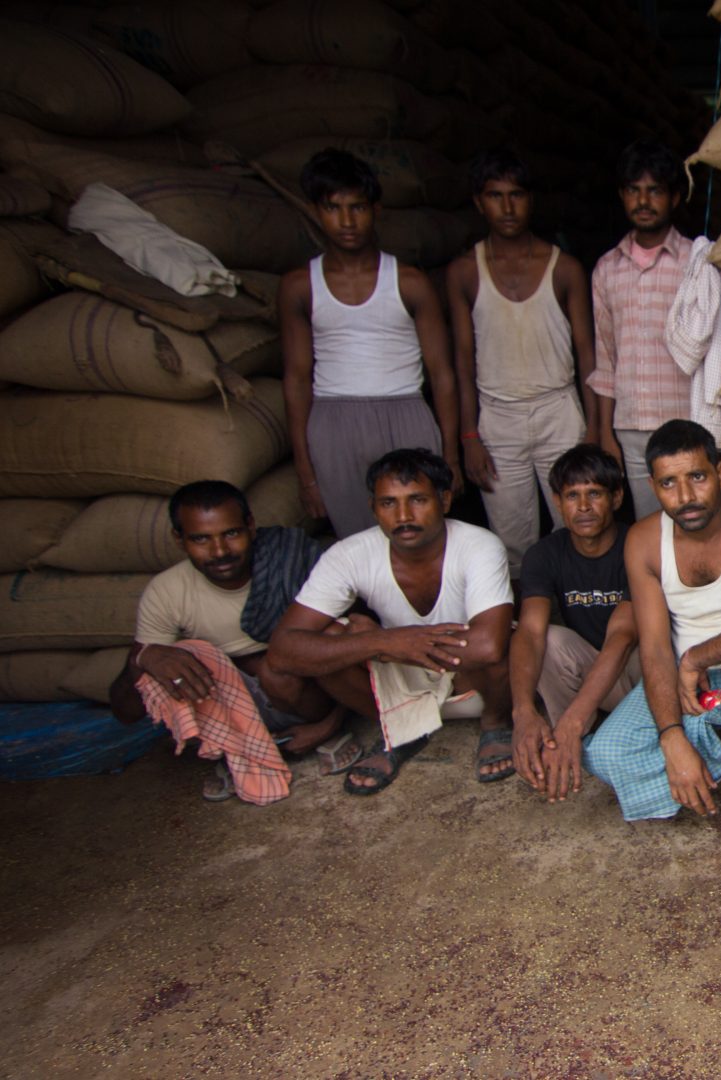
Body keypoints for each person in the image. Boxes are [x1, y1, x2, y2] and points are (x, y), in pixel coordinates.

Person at [582, 420, 721, 858]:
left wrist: (697, 658)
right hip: (689, 686)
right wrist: (671, 736)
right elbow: (654, 647)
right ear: (652, 485)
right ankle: (697, 756)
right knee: (606, 752)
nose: (684, 497)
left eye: (697, 477)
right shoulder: (643, 540)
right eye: (668, 483)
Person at [266, 449, 514, 795]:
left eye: (417, 500)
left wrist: (392, 644)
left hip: (471, 684)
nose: (403, 515)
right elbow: (282, 652)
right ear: (373, 508)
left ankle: (496, 726)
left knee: (509, 640)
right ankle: (400, 732)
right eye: (388, 503)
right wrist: (383, 643)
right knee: (332, 636)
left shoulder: (478, 545)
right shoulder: (348, 555)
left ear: (444, 500)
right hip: (402, 680)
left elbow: (487, 646)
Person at [109, 481, 351, 804]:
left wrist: (328, 726)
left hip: (305, 697)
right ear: (179, 540)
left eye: (231, 534)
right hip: (231, 708)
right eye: (200, 539)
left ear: (251, 526)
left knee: (293, 660)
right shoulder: (167, 592)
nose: (220, 551)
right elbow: (125, 711)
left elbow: (356, 650)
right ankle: (236, 749)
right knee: (176, 660)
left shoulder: (291, 562)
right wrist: (145, 659)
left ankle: (298, 737)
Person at [280, 148, 461, 539]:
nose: (347, 221)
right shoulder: (299, 286)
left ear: (376, 210)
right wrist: (305, 469)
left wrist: (451, 455)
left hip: (405, 411)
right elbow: (296, 379)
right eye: (333, 208)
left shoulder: (410, 282)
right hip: (332, 420)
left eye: (358, 207)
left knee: (422, 536)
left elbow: (442, 374)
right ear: (316, 211)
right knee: (357, 540)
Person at [449, 147, 599, 575]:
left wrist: (592, 428)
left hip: (558, 409)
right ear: (479, 203)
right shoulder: (464, 271)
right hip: (498, 416)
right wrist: (469, 436)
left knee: (578, 525)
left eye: (516, 194)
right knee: (511, 541)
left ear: (531, 199)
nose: (507, 206)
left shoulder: (564, 267)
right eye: (495, 196)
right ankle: (524, 619)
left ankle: (576, 616)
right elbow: (462, 361)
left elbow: (587, 355)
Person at [510, 445, 640, 803]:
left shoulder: (638, 544)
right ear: (556, 501)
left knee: (649, 649)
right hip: (590, 673)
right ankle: (569, 740)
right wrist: (523, 712)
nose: (583, 507)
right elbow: (531, 633)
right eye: (572, 495)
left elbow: (623, 636)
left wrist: (573, 719)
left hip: (639, 675)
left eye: (595, 494)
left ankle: (574, 731)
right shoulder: (544, 554)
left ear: (616, 498)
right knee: (548, 639)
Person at [587, 139, 695, 520]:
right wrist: (603, 433)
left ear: (676, 197)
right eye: (634, 190)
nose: (643, 201)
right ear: (622, 195)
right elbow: (605, 357)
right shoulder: (606, 269)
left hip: (685, 419)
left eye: (655, 191)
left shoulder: (695, 263)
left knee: (693, 519)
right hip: (630, 425)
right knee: (649, 525)